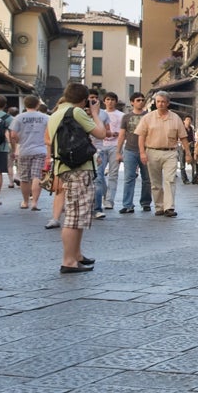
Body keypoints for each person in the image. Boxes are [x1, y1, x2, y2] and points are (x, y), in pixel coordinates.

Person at [48, 83, 113, 273]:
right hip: (78, 168)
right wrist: (94, 113)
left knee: (77, 214)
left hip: (65, 166)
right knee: (74, 216)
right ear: (84, 99)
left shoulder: (56, 113)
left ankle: (76, 254)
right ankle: (68, 260)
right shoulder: (76, 113)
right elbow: (101, 133)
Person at [137, 92, 187, 217]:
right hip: (152, 151)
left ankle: (169, 207)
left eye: (163, 101)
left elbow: (183, 137)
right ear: (155, 102)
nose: (160, 104)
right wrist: (142, 152)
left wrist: (188, 154)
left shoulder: (175, 118)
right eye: (158, 101)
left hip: (170, 152)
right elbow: (141, 136)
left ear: (168, 103)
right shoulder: (148, 118)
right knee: (155, 182)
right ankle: (159, 206)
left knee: (170, 180)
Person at [9, 95, 48, 210]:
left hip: (24, 150)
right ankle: (35, 202)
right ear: (38, 105)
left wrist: (20, 141)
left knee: (24, 178)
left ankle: (25, 202)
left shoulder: (19, 118)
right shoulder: (45, 117)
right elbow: (50, 132)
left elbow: (13, 135)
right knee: (37, 176)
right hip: (41, 149)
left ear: (25, 105)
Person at [116, 93, 152, 214]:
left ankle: (146, 203)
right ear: (132, 102)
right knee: (129, 178)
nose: (141, 102)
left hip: (147, 150)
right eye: (138, 100)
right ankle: (127, 204)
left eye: (142, 100)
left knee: (147, 178)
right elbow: (122, 135)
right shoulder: (126, 117)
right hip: (130, 150)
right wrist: (118, 152)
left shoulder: (149, 116)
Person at [91, 92, 123, 217]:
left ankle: (109, 200)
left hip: (115, 146)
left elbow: (122, 130)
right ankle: (103, 194)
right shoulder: (99, 113)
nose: (110, 102)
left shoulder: (120, 115)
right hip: (101, 146)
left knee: (113, 174)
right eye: (108, 99)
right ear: (104, 101)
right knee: (99, 175)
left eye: (112, 99)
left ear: (116, 101)